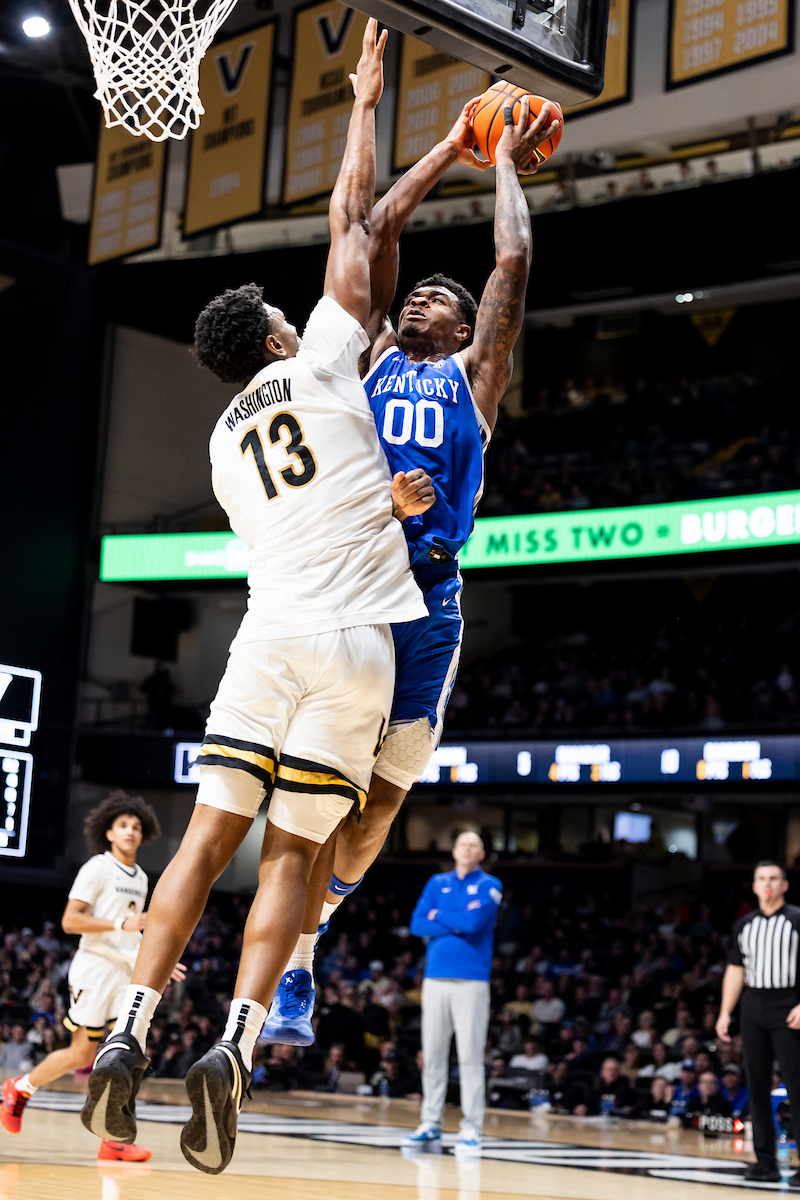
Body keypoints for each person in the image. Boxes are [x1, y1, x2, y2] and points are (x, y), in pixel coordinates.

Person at [79, 22, 430, 1177]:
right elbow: (355, 220)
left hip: (266, 638)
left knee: (204, 839)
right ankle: (233, 1042)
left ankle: (131, 1028)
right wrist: (365, 104)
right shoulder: (320, 357)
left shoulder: (223, 450)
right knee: (290, 859)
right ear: (278, 334)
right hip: (355, 646)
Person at [264, 89, 560, 1044]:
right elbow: (369, 227)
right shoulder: (373, 356)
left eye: (443, 298)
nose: (424, 298)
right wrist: (436, 142)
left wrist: (502, 158)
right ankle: (296, 965)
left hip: (427, 597)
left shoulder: (473, 378)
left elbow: (512, 263)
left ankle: (317, 926)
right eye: (417, 295)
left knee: (380, 806)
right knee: (325, 791)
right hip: (353, 584)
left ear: (468, 330)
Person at [0, 792, 183, 1163]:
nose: (130, 831)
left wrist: (157, 962)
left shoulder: (141, 876)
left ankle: (114, 1138)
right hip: (95, 968)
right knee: (82, 1052)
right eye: (123, 825)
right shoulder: (97, 868)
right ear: (109, 833)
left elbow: (132, 932)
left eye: (136, 826)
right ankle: (19, 1087)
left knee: (129, 1051)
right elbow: (71, 921)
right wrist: (120, 923)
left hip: (126, 971)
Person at [403, 832, 502, 1155]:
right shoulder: (437, 882)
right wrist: (454, 920)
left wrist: (440, 915)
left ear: (482, 853)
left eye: (474, 845)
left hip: (472, 980)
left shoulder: (490, 885)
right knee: (432, 1053)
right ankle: (430, 1122)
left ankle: (472, 1127)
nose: (467, 849)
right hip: (435, 978)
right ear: (454, 850)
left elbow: (473, 923)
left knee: (470, 1056)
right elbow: (418, 924)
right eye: (462, 844)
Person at [716, 860, 800, 1184]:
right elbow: (736, 969)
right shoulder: (744, 924)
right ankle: (765, 1162)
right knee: (757, 1085)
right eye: (761, 878)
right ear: (753, 886)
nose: (767, 883)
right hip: (753, 1005)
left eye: (773, 878)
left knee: (796, 1084)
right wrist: (725, 1012)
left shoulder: (796, 919)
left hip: (789, 1004)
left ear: (784, 885)